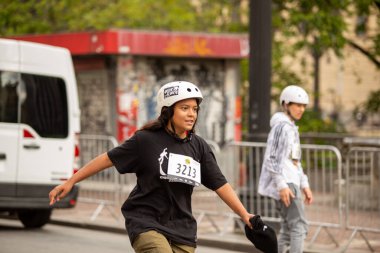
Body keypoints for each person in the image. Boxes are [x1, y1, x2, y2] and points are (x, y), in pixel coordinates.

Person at [49, 81, 256, 253]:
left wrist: (244, 214)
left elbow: (220, 184)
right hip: (146, 222)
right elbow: (107, 159)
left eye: (194, 109)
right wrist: (71, 181)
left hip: (182, 229)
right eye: (184, 108)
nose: (191, 114)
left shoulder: (199, 146)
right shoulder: (145, 140)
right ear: (168, 111)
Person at [258, 85, 313, 253]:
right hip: (287, 183)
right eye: (297, 105)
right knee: (299, 227)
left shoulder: (290, 128)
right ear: (286, 105)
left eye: (303, 106)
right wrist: (282, 185)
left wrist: (305, 184)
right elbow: (272, 158)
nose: (301, 109)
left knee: (289, 229)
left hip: (292, 181)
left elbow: (295, 161)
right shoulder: (281, 127)